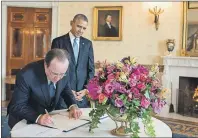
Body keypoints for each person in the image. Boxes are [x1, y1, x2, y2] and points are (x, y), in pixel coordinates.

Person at [7, 49, 82, 129]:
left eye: (62, 74)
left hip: (47, 119)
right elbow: (18, 105)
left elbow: (65, 88)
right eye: (54, 73)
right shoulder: (26, 75)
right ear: (46, 65)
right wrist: (38, 117)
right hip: (24, 119)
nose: (58, 78)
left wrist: (73, 105)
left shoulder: (63, 69)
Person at [51, 14, 95, 108]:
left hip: (82, 97)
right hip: (63, 97)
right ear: (72, 23)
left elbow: (91, 69)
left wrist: (86, 89)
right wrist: (67, 90)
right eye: (79, 26)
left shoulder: (88, 44)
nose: (81, 30)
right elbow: (54, 69)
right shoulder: (58, 42)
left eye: (84, 28)